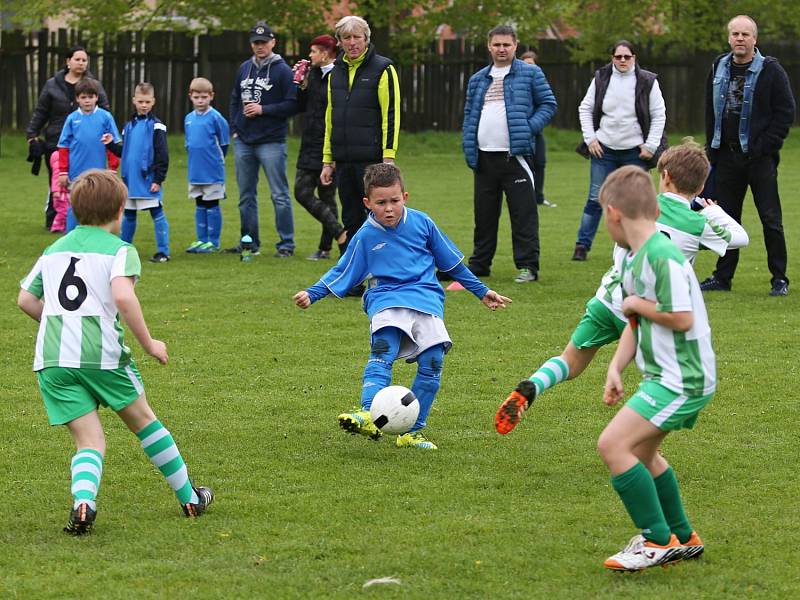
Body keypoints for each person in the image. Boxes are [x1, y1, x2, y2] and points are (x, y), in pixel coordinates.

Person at [496, 140, 747, 443]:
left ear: (664, 175)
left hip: (609, 298)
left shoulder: (640, 204)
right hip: (652, 309)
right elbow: (739, 238)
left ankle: (534, 385)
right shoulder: (696, 223)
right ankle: (643, 441)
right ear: (703, 183)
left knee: (570, 361)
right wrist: (712, 212)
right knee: (656, 377)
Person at [17, 170, 214, 535]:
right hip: (101, 355)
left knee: (89, 440)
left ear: (75, 209)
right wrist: (149, 343)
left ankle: (83, 504)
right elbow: (123, 296)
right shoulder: (120, 250)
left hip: (53, 359)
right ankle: (190, 497)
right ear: (120, 210)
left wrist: (59, 323)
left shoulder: (53, 250)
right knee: (145, 423)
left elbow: (26, 299)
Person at [293, 164, 511, 450]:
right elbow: (341, 269)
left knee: (433, 362)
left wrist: (481, 291)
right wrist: (314, 292)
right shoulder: (366, 236)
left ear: (404, 196)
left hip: (426, 299)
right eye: (381, 203)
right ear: (367, 203)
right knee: (384, 347)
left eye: (394, 201)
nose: (389, 209)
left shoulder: (422, 223)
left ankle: (412, 431)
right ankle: (368, 411)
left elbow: (452, 262)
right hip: (386, 297)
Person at [596, 166, 713, 570]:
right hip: (667, 375)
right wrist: (616, 367)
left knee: (612, 446)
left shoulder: (662, 256)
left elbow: (680, 317)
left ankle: (656, 540)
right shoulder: (632, 259)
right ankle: (683, 535)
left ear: (613, 214)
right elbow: (636, 322)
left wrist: (634, 305)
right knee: (643, 452)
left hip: (684, 378)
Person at [699, 15, 795, 297]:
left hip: (760, 159)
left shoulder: (771, 71)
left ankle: (779, 279)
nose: (740, 39)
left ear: (755, 39)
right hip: (726, 157)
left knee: (771, 219)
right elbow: (709, 110)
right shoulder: (718, 66)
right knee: (725, 219)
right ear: (729, 38)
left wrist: (765, 146)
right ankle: (723, 277)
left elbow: (785, 113)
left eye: (745, 34)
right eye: (735, 34)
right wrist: (711, 150)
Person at [462, 25, 557, 284]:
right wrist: (469, 145)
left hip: (516, 157)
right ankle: (480, 265)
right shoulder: (478, 79)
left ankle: (528, 266)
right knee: (484, 216)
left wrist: (529, 128)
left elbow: (549, 104)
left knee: (523, 214)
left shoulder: (530, 73)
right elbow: (470, 114)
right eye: (497, 44)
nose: (501, 49)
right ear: (489, 46)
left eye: (506, 44)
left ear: (515, 45)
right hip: (484, 158)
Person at [320, 15, 401, 288]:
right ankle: (353, 280)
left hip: (372, 160)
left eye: (357, 37)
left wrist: (388, 155)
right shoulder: (335, 72)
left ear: (366, 39)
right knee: (351, 219)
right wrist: (328, 160)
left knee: (379, 218)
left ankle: (385, 276)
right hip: (344, 160)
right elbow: (330, 117)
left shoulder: (383, 68)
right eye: (346, 38)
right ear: (340, 42)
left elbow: (391, 114)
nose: (352, 43)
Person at [572, 40, 666, 261]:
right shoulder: (601, 78)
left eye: (627, 57)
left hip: (635, 151)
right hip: (604, 150)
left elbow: (659, 113)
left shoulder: (647, 81)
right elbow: (585, 108)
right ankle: (581, 246)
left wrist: (651, 146)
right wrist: (590, 139)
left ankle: (641, 243)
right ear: (612, 58)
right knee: (595, 198)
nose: (622, 61)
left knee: (637, 200)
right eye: (618, 57)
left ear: (634, 58)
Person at [228, 21, 297, 257]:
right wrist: (235, 127)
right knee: (246, 195)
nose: (260, 46)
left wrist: (263, 110)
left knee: (279, 194)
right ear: (251, 44)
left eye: (264, 42)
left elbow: (292, 104)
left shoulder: (283, 71)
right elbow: (235, 99)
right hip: (244, 140)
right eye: (256, 43)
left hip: (271, 141)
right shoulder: (244, 68)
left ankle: (286, 244)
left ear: (273, 43)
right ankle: (249, 242)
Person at [27, 46, 111, 230]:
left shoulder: (93, 85)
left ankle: (87, 221)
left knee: (87, 184)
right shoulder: (52, 84)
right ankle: (54, 220)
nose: (81, 63)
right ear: (68, 61)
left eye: (84, 60)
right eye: (77, 59)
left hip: (86, 144)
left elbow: (104, 110)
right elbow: (41, 111)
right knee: (57, 183)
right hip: (56, 141)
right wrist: (32, 133)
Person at [293, 34, 347, 260]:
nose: (310, 55)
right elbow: (300, 107)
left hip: (329, 147)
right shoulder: (313, 74)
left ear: (325, 53)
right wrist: (300, 84)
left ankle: (328, 245)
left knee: (325, 196)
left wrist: (334, 153)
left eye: (314, 51)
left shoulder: (340, 75)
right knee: (302, 192)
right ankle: (339, 236)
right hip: (309, 145)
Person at [56, 78, 121, 233]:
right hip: (76, 172)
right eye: (83, 97)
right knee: (75, 205)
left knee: (98, 205)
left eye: (90, 97)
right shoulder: (72, 119)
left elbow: (114, 144)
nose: (87, 101)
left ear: (97, 97)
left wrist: (112, 168)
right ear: (77, 98)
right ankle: (71, 237)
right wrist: (63, 171)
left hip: (100, 172)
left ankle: (97, 236)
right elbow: (63, 146)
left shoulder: (105, 117)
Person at [119, 82, 171, 264]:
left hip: (147, 179)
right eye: (140, 101)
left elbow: (162, 154)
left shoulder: (157, 127)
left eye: (147, 101)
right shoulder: (128, 126)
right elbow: (123, 151)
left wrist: (158, 178)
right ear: (134, 100)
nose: (144, 105)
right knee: (129, 213)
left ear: (153, 101)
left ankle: (163, 252)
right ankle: (123, 249)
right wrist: (110, 143)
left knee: (156, 212)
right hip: (130, 180)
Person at [184, 77, 230, 254]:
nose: (200, 100)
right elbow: (189, 143)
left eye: (204, 97)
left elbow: (224, 144)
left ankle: (213, 241)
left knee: (212, 204)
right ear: (191, 97)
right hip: (195, 171)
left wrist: (216, 160)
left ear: (211, 96)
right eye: (197, 97)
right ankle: (201, 239)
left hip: (212, 171)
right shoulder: (188, 119)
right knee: (199, 204)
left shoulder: (216, 118)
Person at [520, 50, 556, 209]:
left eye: (531, 64)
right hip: (519, 133)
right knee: (523, 165)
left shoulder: (538, 83)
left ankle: (539, 197)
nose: (528, 67)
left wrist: (535, 124)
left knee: (540, 162)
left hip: (536, 131)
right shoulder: (515, 85)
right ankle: (523, 197)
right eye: (525, 64)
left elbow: (547, 105)